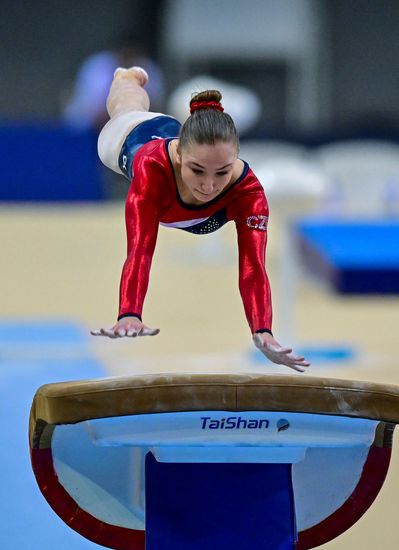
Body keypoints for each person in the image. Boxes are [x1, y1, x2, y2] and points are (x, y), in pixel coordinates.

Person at [91, 67, 310, 373]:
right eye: (197, 171)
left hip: (181, 136)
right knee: (127, 108)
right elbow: (140, 249)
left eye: (222, 172)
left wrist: (263, 331)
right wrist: (130, 312)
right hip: (129, 139)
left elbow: (253, 267)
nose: (209, 186)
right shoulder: (152, 168)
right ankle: (126, 78)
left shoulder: (248, 192)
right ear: (179, 154)